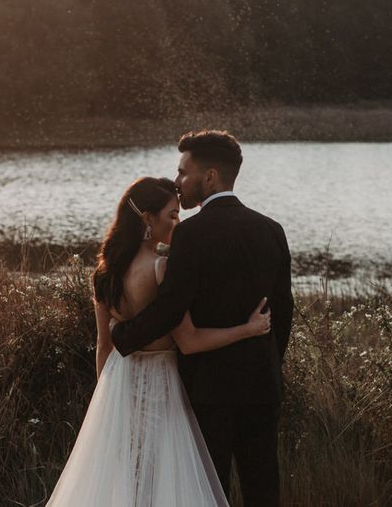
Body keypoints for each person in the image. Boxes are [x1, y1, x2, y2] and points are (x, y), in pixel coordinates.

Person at [46, 176, 271, 506]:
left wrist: (107, 404)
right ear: (147, 219)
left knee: (127, 482)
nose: (178, 222)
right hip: (160, 384)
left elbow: (104, 346)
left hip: (117, 385)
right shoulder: (161, 268)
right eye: (172, 215)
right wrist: (247, 329)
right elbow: (190, 341)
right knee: (163, 482)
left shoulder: (105, 273)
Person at [111, 131, 294, 507]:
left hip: (210, 390)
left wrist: (123, 335)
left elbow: (170, 308)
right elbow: (284, 312)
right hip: (262, 385)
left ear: (209, 177)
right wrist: (270, 365)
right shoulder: (271, 230)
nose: (178, 183)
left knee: (210, 493)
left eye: (183, 172)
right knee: (263, 491)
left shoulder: (190, 235)